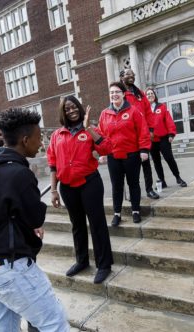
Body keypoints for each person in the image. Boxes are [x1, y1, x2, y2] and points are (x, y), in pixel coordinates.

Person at [0, 108, 69, 332]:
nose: (41, 143)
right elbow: (34, 218)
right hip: (8, 267)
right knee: (55, 323)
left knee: (6, 327)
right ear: (25, 140)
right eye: (38, 137)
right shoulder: (18, 173)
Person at [47, 96, 114, 284]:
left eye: (74, 107)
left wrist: (89, 129)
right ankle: (82, 261)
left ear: (80, 108)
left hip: (89, 183)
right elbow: (52, 164)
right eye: (67, 109)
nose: (71, 111)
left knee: (97, 224)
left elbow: (107, 148)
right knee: (77, 225)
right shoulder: (57, 135)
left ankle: (104, 265)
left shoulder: (89, 130)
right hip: (67, 187)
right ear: (63, 112)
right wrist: (54, 190)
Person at [97, 82, 151, 226]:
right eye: (111, 92)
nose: (114, 95)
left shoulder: (133, 111)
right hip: (113, 156)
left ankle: (135, 211)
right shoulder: (104, 114)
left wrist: (144, 150)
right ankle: (117, 214)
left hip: (132, 155)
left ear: (123, 94)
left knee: (133, 184)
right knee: (117, 186)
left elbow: (143, 131)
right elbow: (101, 134)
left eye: (117, 92)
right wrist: (102, 152)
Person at [120, 69, 159, 199]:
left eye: (132, 74)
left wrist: (151, 129)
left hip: (143, 136)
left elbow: (148, 113)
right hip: (128, 137)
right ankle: (132, 193)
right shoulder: (120, 94)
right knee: (130, 168)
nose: (131, 76)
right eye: (127, 74)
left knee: (146, 164)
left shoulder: (140, 94)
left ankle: (149, 189)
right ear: (121, 77)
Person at [144, 88, 187, 188]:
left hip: (163, 139)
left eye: (151, 93)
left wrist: (171, 134)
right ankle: (162, 181)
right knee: (156, 162)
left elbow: (168, 121)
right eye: (148, 94)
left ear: (154, 95)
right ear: (145, 97)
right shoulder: (144, 110)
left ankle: (178, 177)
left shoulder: (162, 107)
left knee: (169, 158)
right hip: (151, 141)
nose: (150, 95)